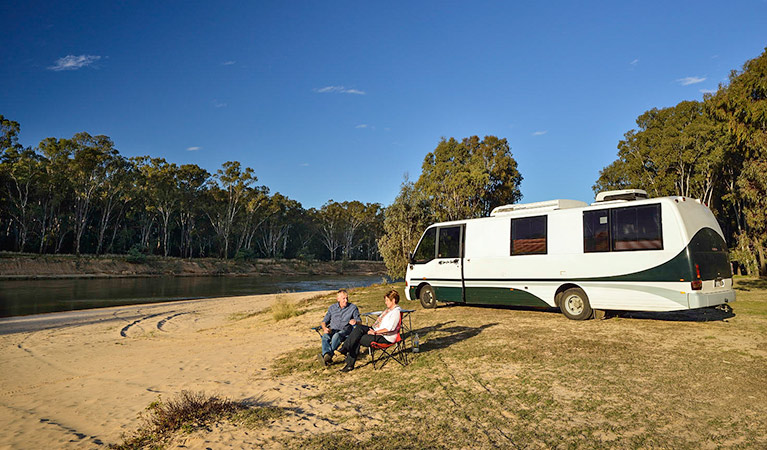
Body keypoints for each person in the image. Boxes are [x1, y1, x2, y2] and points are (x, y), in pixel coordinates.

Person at [338, 289, 401, 373]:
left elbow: (389, 329)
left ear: (393, 300)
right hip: (376, 330)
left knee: (357, 338)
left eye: (387, 300)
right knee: (358, 328)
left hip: (385, 337)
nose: (385, 302)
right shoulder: (389, 310)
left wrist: (375, 332)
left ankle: (347, 358)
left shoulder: (396, 312)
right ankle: (345, 350)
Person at [318, 289, 361, 366]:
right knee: (325, 336)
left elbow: (359, 321)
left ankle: (328, 356)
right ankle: (326, 355)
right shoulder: (332, 308)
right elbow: (324, 321)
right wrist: (325, 328)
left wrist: (355, 322)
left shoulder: (353, 308)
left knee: (336, 336)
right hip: (332, 329)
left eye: (347, 298)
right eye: (343, 298)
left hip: (345, 331)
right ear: (338, 299)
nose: (346, 300)